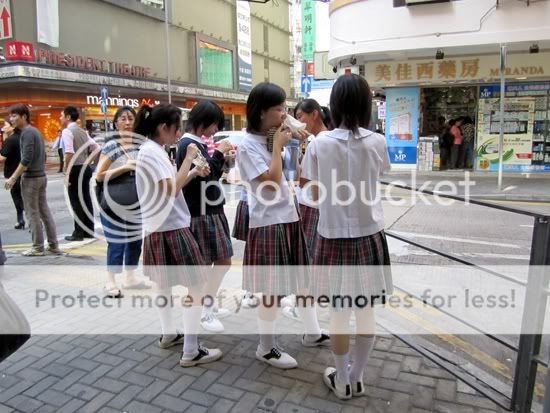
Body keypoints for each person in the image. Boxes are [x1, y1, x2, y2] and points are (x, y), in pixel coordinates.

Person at [301, 74, 392, 399]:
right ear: (367, 105)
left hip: (333, 236)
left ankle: (341, 380)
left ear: (334, 106)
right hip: (369, 236)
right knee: (366, 311)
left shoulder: (319, 143)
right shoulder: (377, 141)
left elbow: (309, 189)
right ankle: (357, 376)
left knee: (339, 312)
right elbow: (381, 172)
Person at [237, 82, 326, 369]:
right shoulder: (248, 146)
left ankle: (312, 332)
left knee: (302, 279)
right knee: (272, 290)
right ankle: (266, 347)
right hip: (268, 223)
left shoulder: (271, 136)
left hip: (287, 217)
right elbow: (272, 181)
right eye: (279, 109)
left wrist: (294, 141)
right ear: (262, 112)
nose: (283, 113)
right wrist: (278, 147)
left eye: (285, 108)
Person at [134, 104, 221, 367]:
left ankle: (169, 333)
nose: (179, 133)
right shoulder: (151, 153)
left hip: (159, 227)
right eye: (176, 127)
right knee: (196, 285)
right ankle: (191, 350)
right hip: (171, 227)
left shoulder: (153, 151)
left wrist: (193, 171)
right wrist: (188, 160)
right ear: (163, 127)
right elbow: (171, 190)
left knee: (164, 284)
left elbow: (170, 184)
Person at [176, 100, 234, 333]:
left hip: (209, 210)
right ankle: (204, 311)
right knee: (216, 263)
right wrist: (219, 153)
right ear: (203, 122)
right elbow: (206, 177)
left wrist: (220, 156)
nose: (216, 130)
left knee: (219, 261)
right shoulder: (190, 144)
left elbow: (210, 175)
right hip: (201, 212)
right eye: (214, 125)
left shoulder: (195, 143)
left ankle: (207, 304)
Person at [280, 99, 333, 322]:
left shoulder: (318, 143)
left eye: (300, 116)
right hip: (323, 206)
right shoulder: (329, 139)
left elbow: (303, 181)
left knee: (307, 259)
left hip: (311, 206)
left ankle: (303, 305)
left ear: (314, 115)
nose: (299, 121)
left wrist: (293, 153)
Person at [95, 106, 149, 298]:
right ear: (116, 122)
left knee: (135, 241)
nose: (127, 122)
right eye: (123, 119)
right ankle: (110, 281)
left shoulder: (139, 146)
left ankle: (130, 277)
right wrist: (125, 168)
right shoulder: (111, 146)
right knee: (117, 242)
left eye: (130, 119)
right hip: (113, 202)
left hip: (135, 201)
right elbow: (99, 176)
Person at [4, 104, 60, 256]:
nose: (11, 119)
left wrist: (13, 178)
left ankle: (37, 247)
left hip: (32, 179)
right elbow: (42, 156)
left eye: (15, 116)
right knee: (44, 211)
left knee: (32, 213)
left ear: (24, 117)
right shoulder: (35, 131)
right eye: (11, 116)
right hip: (41, 176)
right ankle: (53, 244)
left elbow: (26, 159)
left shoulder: (27, 133)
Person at [61, 106, 98, 241]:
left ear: (68, 117)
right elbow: (96, 147)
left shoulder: (67, 131)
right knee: (86, 199)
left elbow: (69, 152)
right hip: (85, 168)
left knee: (75, 200)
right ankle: (89, 230)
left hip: (75, 168)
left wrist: (66, 171)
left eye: (61, 115)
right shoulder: (83, 131)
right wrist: (89, 161)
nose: (60, 118)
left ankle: (78, 233)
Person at [1, 119, 25, 229]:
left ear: (12, 127)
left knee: (17, 197)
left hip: (13, 173)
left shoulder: (11, 140)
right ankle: (20, 220)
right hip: (23, 171)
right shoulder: (21, 137)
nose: (3, 128)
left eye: (5, 125)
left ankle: (26, 219)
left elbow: (2, 157)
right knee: (22, 197)